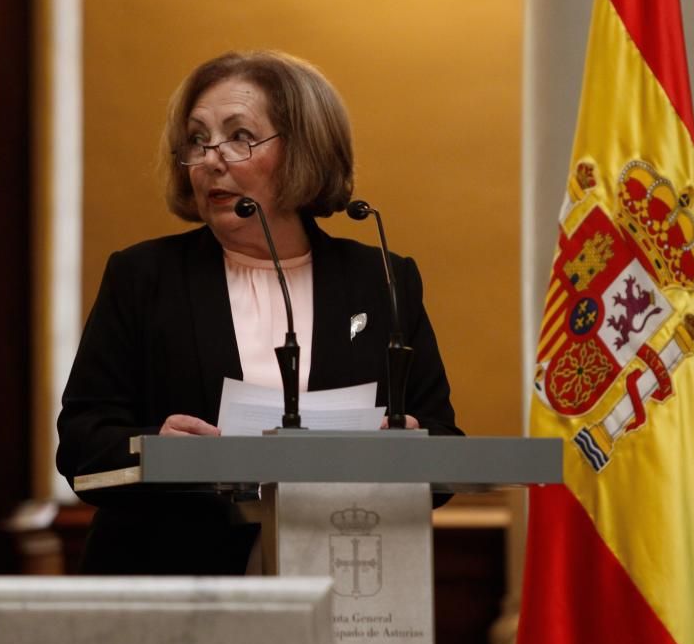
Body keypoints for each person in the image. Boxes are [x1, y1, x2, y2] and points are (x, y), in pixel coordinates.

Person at [56, 50, 461, 575]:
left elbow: (444, 442)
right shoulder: (145, 276)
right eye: (197, 140)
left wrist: (406, 446)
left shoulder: (381, 280)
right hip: (171, 577)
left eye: (240, 136)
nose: (211, 159)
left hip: (344, 578)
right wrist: (157, 448)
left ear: (303, 149)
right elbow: (83, 437)